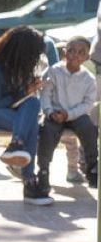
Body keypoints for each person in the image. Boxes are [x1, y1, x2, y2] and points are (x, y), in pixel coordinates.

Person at [0, 25, 53, 205]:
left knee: (33, 103)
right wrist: (24, 91)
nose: (34, 58)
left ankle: (16, 146)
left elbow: (21, 101)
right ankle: (29, 183)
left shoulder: (19, 66)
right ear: (20, 50)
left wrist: (29, 91)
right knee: (29, 123)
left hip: (9, 112)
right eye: (32, 53)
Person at [36, 36, 98, 188]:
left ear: (87, 57)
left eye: (81, 52)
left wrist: (69, 114)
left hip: (76, 115)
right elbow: (45, 95)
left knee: (89, 128)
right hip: (54, 114)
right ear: (64, 52)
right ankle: (43, 171)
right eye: (71, 51)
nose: (75, 55)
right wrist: (50, 112)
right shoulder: (53, 71)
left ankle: (92, 168)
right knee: (47, 130)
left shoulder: (88, 79)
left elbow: (87, 104)